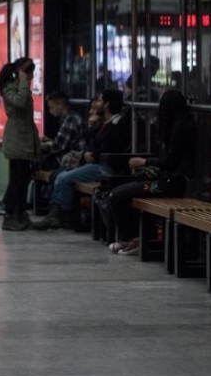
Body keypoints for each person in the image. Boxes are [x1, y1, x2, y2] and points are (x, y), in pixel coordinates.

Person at [106, 90, 196, 255]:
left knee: (117, 195)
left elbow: (170, 161)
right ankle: (129, 237)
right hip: (169, 181)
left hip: (171, 184)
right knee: (119, 192)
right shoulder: (179, 125)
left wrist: (145, 162)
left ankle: (132, 238)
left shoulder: (179, 128)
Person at [32, 88, 132, 231]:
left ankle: (63, 215)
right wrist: (91, 133)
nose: (96, 104)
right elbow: (93, 145)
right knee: (60, 176)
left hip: (106, 167)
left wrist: (92, 154)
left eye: (99, 101)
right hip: (96, 163)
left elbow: (108, 149)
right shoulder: (105, 123)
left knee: (64, 178)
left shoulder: (117, 125)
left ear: (107, 104)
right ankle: (56, 214)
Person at [0, 58, 38, 231]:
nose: (31, 78)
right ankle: (9, 216)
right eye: (30, 74)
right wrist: (23, 83)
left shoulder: (19, 87)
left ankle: (20, 214)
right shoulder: (9, 88)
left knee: (24, 178)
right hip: (16, 139)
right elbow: (20, 103)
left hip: (26, 139)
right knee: (16, 178)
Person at [38, 91, 86, 171]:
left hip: (74, 161)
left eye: (51, 107)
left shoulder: (71, 119)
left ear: (60, 105)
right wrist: (49, 141)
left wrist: (39, 145)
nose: (49, 111)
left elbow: (58, 146)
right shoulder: (68, 118)